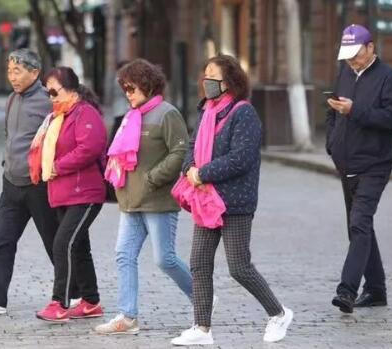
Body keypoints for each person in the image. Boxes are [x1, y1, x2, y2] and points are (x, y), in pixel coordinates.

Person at [171, 55, 293, 346]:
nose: (206, 81)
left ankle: (278, 313)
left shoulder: (243, 113)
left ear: (229, 81)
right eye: (205, 75)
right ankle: (202, 328)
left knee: (239, 267)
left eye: (212, 76)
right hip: (206, 199)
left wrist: (203, 173)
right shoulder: (208, 111)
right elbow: (192, 145)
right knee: (199, 263)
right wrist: (189, 169)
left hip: (234, 202)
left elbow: (241, 158)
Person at [94, 58, 193, 335]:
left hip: (158, 200)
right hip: (130, 200)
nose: (128, 93)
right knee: (124, 255)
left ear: (148, 84)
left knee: (165, 259)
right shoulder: (131, 116)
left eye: (132, 87)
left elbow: (179, 151)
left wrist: (154, 177)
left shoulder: (166, 113)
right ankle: (127, 317)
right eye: (124, 88)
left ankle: (202, 297)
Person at [0, 49, 59, 315]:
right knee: (2, 239)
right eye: (9, 71)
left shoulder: (48, 101)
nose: (12, 77)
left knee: (54, 241)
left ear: (35, 72)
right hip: (11, 184)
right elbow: (10, 136)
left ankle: (75, 292)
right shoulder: (11, 99)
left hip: (38, 186)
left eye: (17, 71)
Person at [326, 24, 392, 314]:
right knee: (360, 227)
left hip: (375, 164)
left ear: (371, 48)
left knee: (359, 223)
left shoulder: (389, 78)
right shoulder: (345, 72)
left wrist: (354, 110)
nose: (351, 61)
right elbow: (332, 109)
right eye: (347, 57)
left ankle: (347, 290)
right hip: (346, 162)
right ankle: (376, 289)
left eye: (356, 55)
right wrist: (331, 143)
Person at [33, 67, 107, 322]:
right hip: (63, 192)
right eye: (48, 92)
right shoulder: (57, 117)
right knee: (78, 248)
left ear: (71, 89)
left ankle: (59, 302)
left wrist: (56, 166)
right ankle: (91, 301)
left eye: (55, 91)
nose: (51, 96)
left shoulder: (85, 114)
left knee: (62, 243)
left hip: (84, 193)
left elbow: (90, 147)